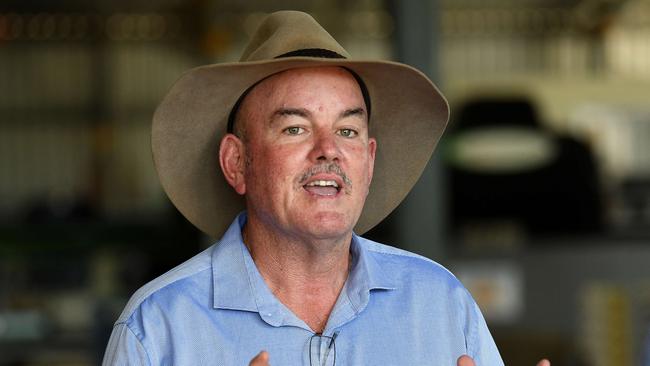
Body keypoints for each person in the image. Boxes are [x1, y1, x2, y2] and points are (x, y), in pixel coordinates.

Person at [103, 10, 544, 365]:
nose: (328, 150)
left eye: (348, 131)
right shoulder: (158, 327)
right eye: (295, 128)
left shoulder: (442, 304)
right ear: (237, 163)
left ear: (369, 162)